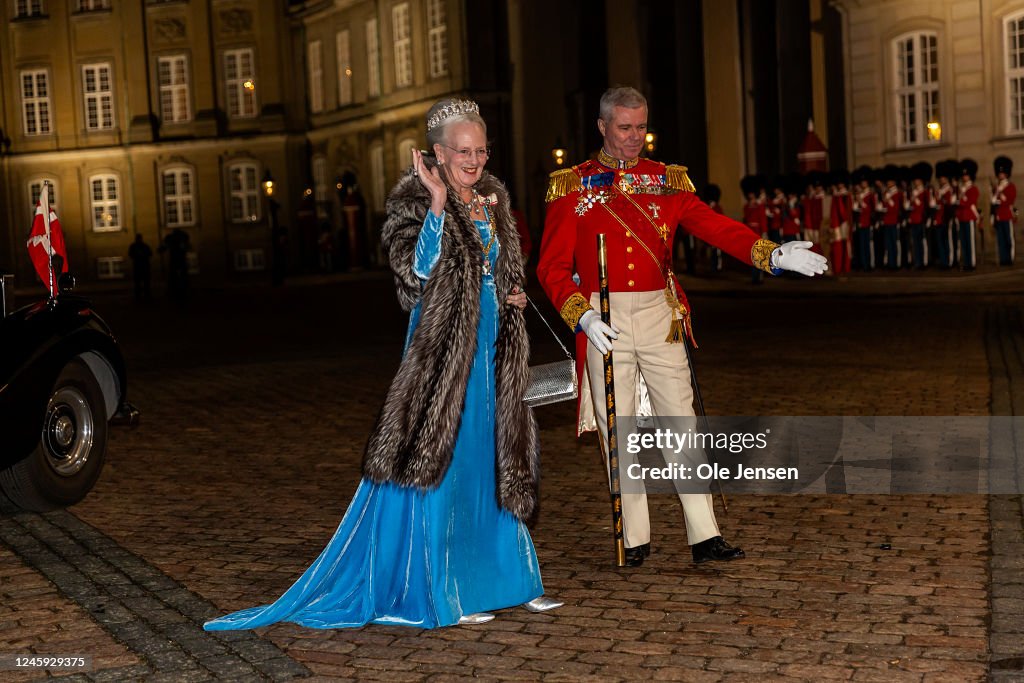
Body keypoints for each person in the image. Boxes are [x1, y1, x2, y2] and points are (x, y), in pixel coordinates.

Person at [205, 98, 561, 632]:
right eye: (463, 151)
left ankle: (510, 580)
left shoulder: (493, 199)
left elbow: (497, 266)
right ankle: (445, 589)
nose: (475, 160)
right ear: (437, 154)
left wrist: (509, 290)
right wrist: (439, 206)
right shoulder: (415, 204)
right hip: (442, 355)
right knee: (446, 459)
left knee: (495, 459)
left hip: (492, 352)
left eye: (481, 149)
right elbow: (414, 277)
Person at [536, 87, 827, 567]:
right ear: (603, 127)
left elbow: (715, 226)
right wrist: (581, 313)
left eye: (641, 127)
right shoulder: (572, 186)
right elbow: (550, 266)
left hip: (657, 313)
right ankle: (632, 534)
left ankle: (704, 533)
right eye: (624, 128)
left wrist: (771, 253)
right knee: (619, 427)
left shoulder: (666, 181)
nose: (635, 138)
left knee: (682, 424)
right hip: (601, 315)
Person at [954, 158, 980, 271]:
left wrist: (961, 197)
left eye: (967, 175)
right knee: (963, 241)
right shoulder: (961, 189)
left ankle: (972, 263)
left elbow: (969, 202)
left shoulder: (973, 189)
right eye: (963, 175)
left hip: (969, 216)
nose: (964, 177)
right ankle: (966, 262)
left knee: (970, 241)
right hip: (961, 217)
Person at [991, 156, 1016, 266]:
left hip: (1007, 215)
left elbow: (1009, 200)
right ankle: (1003, 258)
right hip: (999, 216)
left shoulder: (1010, 186)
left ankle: (1009, 258)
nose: (1000, 175)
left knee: (1009, 239)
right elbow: (993, 201)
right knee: (1000, 239)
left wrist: (999, 194)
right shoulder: (997, 187)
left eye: (1002, 173)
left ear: (1006, 174)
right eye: (999, 173)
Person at [158, 227, 190, 302]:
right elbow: (186, 245)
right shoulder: (182, 237)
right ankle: (181, 289)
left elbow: (165, 246)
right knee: (181, 274)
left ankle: (176, 289)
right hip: (180, 258)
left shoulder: (172, 238)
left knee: (175, 274)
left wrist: (161, 249)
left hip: (175, 258)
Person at [128, 233, 152, 301]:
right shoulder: (136, 246)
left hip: (143, 266)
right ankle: (140, 295)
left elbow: (150, 253)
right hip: (139, 266)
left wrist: (142, 255)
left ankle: (145, 295)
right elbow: (130, 254)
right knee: (139, 282)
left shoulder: (143, 246)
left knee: (144, 282)